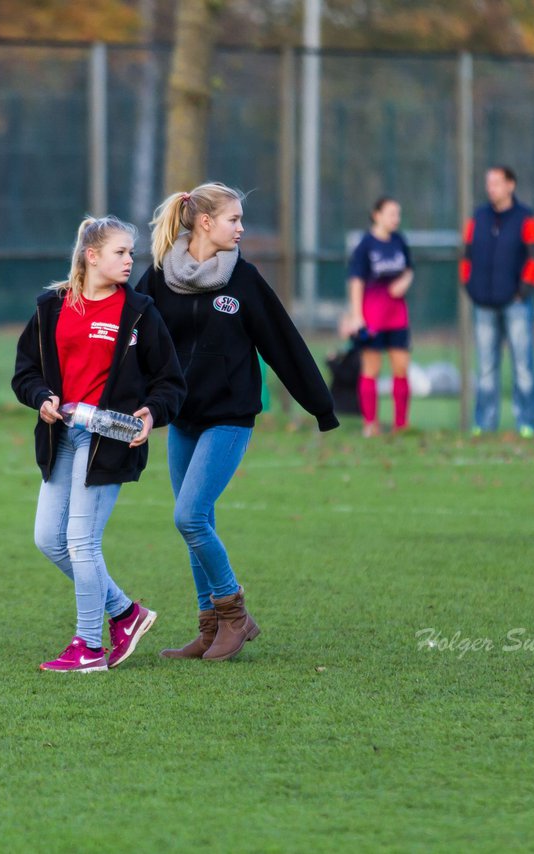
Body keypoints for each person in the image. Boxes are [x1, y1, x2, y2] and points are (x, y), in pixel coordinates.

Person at [137, 182, 339, 662]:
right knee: (195, 523)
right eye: (234, 219)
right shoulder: (158, 278)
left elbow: (283, 343)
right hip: (183, 418)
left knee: (189, 516)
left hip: (229, 417)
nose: (242, 228)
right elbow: (132, 342)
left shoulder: (243, 280)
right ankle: (209, 628)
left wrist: (320, 406)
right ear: (204, 222)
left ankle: (234, 615)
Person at [12, 216, 186, 672]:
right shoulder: (51, 306)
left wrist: (151, 413)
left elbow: (170, 382)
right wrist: (42, 398)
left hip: (109, 440)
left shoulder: (141, 312)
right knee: (49, 540)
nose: (131, 260)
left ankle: (88, 646)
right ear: (92, 256)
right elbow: (24, 372)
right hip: (61, 437)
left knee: (82, 542)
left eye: (131, 252)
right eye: (121, 252)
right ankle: (126, 613)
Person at [460, 165, 534, 437]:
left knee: (523, 365)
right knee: (485, 368)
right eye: (488, 182)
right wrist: (471, 287)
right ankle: (484, 423)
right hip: (483, 303)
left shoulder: (526, 218)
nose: (491, 187)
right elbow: (466, 256)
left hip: (515, 304)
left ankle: (526, 422)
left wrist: (523, 291)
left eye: (496, 182)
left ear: (511, 185)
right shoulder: (479, 217)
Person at [347, 196, 414, 436]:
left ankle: (400, 425)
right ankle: (370, 424)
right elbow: (356, 280)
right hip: (372, 317)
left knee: (401, 368)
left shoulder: (399, 241)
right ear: (376, 215)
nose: (396, 218)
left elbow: (409, 270)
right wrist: (356, 315)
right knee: (371, 368)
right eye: (391, 213)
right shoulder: (365, 245)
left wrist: (404, 281)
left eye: (398, 213)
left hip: (397, 317)